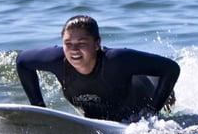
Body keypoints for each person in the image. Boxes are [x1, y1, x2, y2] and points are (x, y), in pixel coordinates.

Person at [16, 15, 180, 122]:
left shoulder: (116, 60)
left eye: (81, 43)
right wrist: (40, 110)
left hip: (146, 91)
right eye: (68, 43)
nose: (73, 50)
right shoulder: (57, 60)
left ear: (97, 44)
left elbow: (171, 68)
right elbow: (22, 62)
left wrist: (150, 113)